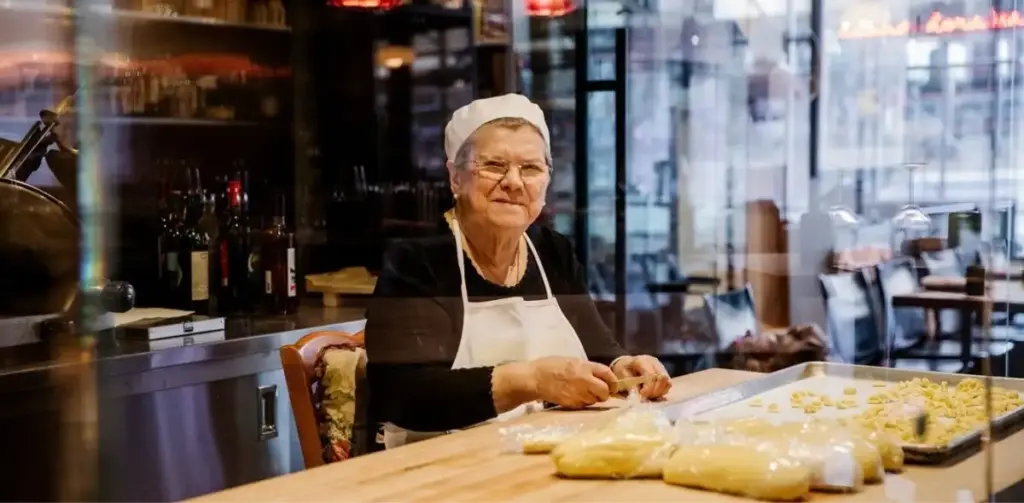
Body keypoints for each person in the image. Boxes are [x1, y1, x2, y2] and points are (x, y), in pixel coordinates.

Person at [365, 94, 672, 449]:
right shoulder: (417, 261)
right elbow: (403, 395)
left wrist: (624, 367)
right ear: (455, 178)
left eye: (530, 168)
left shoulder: (552, 251)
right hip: (437, 469)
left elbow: (597, 347)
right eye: (494, 165)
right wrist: (531, 379)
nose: (513, 182)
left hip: (538, 456)